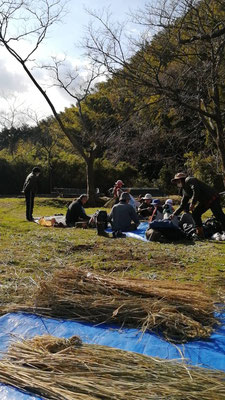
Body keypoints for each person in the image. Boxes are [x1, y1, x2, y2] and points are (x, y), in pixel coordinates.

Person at [171, 172, 225, 237]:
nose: (178, 183)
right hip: (204, 202)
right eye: (176, 182)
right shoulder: (184, 191)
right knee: (195, 213)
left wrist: (193, 203)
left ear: (182, 179)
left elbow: (196, 190)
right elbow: (182, 205)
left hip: (212, 197)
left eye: (178, 181)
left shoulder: (190, 180)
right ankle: (200, 232)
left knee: (219, 215)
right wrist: (174, 214)